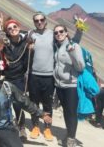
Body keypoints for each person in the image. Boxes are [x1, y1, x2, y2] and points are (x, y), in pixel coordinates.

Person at [28, 12, 83, 140]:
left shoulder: (53, 35)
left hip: (49, 76)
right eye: (36, 20)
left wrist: (79, 29)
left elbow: (72, 42)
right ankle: (35, 126)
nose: (39, 22)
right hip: (34, 75)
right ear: (34, 22)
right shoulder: (31, 35)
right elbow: (14, 37)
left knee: (47, 104)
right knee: (34, 103)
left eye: (42, 19)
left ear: (45, 21)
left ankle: (47, 128)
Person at [53, 24, 85, 147]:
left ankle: (71, 140)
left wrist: (72, 53)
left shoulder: (74, 46)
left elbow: (80, 67)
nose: (59, 34)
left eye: (61, 31)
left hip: (71, 85)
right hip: (60, 86)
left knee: (71, 112)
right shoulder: (58, 46)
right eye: (56, 33)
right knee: (66, 112)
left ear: (66, 33)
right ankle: (69, 134)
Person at [1, 19, 29, 140]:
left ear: (19, 27)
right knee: (6, 103)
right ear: (7, 31)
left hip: (19, 78)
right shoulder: (4, 43)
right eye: (9, 28)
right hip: (6, 77)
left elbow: (27, 61)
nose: (13, 29)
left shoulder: (25, 43)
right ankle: (9, 127)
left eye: (14, 27)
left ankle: (21, 127)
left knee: (18, 103)